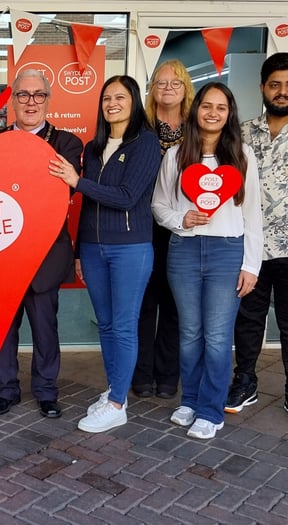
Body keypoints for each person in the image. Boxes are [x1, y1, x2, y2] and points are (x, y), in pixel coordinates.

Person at [152, 82, 263, 439]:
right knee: (189, 333)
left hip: (227, 252)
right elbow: (159, 205)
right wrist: (180, 220)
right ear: (195, 110)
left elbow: (253, 216)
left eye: (221, 107)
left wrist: (251, 265)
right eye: (206, 106)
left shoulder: (242, 156)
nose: (213, 113)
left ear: (229, 114)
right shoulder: (177, 155)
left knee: (216, 337)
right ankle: (193, 399)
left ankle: (211, 411)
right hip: (184, 251)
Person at [52, 75, 160, 432]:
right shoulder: (94, 147)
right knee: (108, 324)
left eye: (121, 97)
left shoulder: (145, 143)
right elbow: (87, 206)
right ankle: (116, 392)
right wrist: (81, 251)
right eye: (107, 98)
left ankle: (116, 404)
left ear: (134, 101)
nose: (112, 103)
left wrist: (77, 182)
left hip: (130, 248)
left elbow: (127, 196)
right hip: (94, 250)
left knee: (125, 325)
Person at [0, 69, 83, 419]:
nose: (31, 102)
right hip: (3, 256)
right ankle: (6, 390)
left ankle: (46, 391)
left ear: (48, 99)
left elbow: (60, 191)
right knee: (3, 328)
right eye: (23, 95)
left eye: (38, 95)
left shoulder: (67, 142)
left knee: (45, 328)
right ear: (12, 100)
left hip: (45, 256)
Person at [226, 53, 288, 414]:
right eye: (275, 84)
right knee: (247, 320)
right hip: (249, 249)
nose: (281, 92)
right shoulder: (242, 133)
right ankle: (245, 381)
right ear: (262, 87)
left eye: (287, 86)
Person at [132, 59, 195, 399]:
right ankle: (141, 374)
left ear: (186, 88)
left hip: (183, 229)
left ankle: (168, 376)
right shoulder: (140, 128)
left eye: (176, 82)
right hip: (143, 226)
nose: (168, 88)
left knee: (174, 305)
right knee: (144, 303)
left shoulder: (197, 130)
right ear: (152, 89)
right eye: (161, 82)